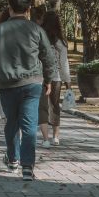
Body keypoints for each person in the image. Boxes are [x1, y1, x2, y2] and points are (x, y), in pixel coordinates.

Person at [0, 0, 56, 181]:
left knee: (11, 123)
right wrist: (48, 80)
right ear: (29, 9)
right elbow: (48, 57)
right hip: (32, 83)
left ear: (9, 8)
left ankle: (13, 158)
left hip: (7, 84)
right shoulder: (36, 30)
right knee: (29, 124)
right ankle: (27, 165)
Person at [37, 9, 71, 147]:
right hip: (56, 77)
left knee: (42, 107)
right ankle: (56, 137)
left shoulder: (39, 39)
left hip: (40, 77)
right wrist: (67, 81)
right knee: (55, 106)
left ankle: (45, 139)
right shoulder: (61, 43)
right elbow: (64, 63)